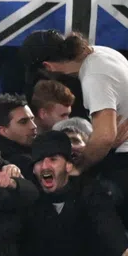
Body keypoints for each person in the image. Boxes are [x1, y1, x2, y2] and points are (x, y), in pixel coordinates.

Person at [25, 30, 128, 202]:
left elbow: (104, 138)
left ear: (48, 67)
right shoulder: (101, 53)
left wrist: (76, 168)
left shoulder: (94, 76)